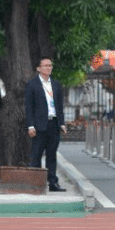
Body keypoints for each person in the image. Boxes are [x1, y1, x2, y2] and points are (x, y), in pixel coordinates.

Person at [25, 57, 66, 192]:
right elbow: (29, 107)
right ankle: (35, 184)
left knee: (52, 155)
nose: (49, 68)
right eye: (46, 65)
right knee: (36, 155)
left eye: (50, 65)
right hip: (39, 125)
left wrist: (62, 123)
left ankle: (53, 183)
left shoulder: (55, 85)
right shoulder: (32, 84)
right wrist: (30, 125)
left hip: (53, 123)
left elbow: (59, 106)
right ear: (38, 68)